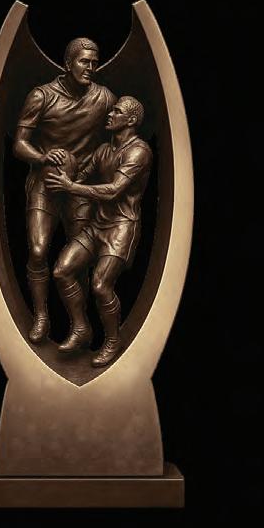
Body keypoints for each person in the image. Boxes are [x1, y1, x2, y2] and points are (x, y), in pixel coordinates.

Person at [13, 38, 116, 344]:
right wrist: (42, 157)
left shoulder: (104, 98)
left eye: (95, 62)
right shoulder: (42, 96)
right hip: (46, 182)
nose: (91, 68)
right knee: (37, 250)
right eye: (84, 62)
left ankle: (78, 326)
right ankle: (41, 315)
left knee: (76, 262)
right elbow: (19, 144)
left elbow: (118, 137)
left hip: (79, 188)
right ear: (68, 63)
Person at [45, 96, 152, 367]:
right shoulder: (104, 150)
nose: (110, 114)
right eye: (111, 110)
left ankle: (113, 340)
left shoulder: (139, 152)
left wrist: (71, 187)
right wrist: (57, 164)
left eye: (117, 111)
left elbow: (114, 190)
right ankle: (81, 328)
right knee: (62, 271)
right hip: (97, 225)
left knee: (101, 285)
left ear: (131, 120)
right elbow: (80, 177)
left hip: (121, 227)